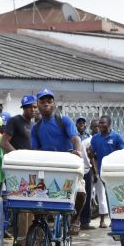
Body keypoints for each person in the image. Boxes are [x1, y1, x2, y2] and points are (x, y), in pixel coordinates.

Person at [31, 88, 88, 234]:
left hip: (68, 166)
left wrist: (77, 152)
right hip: (48, 168)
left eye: (49, 101)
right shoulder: (36, 128)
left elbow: (75, 138)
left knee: (80, 192)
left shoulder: (64, 121)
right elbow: (35, 150)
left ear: (54, 103)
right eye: (42, 101)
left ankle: (76, 218)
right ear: (37, 104)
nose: (46, 104)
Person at [0, 94, 38, 246]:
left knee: (33, 206)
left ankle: (29, 241)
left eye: (34, 106)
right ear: (23, 108)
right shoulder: (15, 121)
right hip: (18, 170)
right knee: (23, 207)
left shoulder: (36, 125)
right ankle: (20, 244)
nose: (33, 109)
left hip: (32, 169)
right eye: (29, 106)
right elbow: (3, 142)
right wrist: (18, 156)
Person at [90, 115, 124, 228]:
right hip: (103, 172)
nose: (100, 125)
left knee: (118, 195)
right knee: (108, 195)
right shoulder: (95, 138)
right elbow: (91, 153)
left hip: (116, 173)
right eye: (100, 123)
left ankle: (120, 219)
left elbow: (122, 153)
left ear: (109, 124)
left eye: (103, 123)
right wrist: (90, 153)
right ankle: (113, 219)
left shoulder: (117, 137)